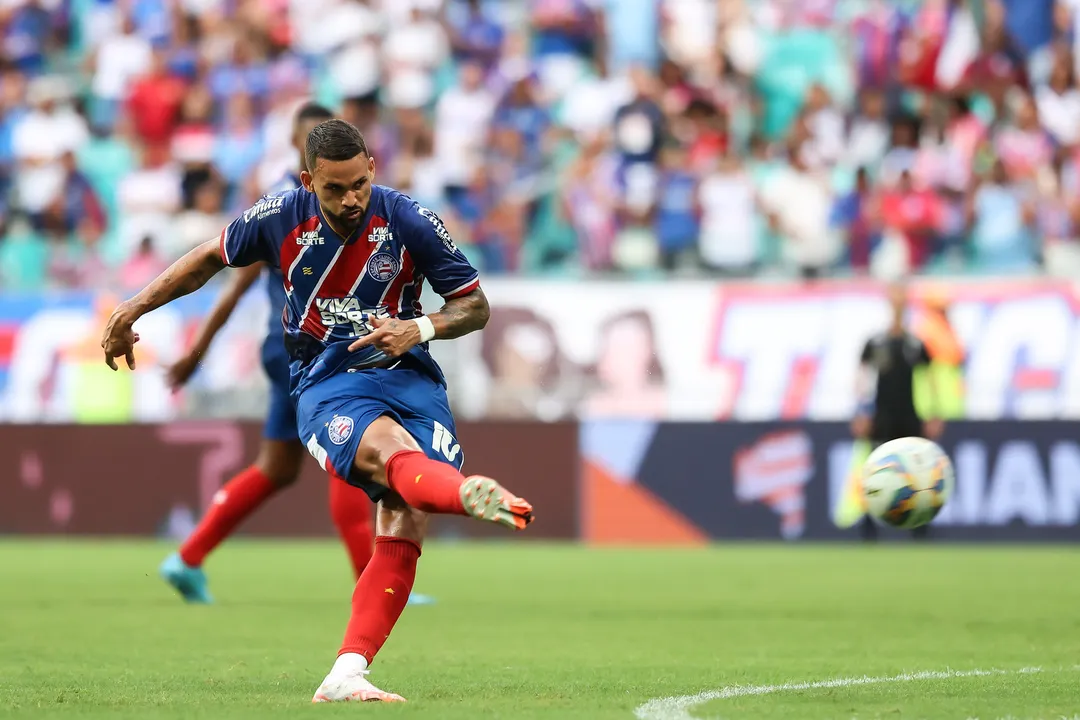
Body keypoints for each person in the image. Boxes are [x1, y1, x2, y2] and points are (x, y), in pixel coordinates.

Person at [101, 118, 534, 702]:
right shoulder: (279, 216)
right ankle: (466, 495)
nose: (351, 198)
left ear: (372, 170)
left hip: (410, 375)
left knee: (405, 513)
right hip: (328, 381)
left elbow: (474, 306)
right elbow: (206, 259)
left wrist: (422, 326)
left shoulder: (407, 218)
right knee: (393, 460)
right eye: (335, 188)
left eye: (358, 184)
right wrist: (130, 311)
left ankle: (347, 672)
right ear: (309, 181)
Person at [158, 103, 436, 606]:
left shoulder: (338, 198)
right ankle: (372, 578)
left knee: (278, 468)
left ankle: (188, 556)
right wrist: (198, 351)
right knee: (350, 443)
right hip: (302, 350)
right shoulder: (286, 209)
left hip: (291, 348)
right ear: (302, 155)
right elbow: (232, 279)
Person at [850, 281, 943, 541]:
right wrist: (860, 412)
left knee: (917, 472)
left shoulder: (915, 343)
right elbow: (861, 378)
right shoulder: (876, 342)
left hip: (909, 414)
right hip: (882, 414)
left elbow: (930, 377)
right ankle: (868, 528)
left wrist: (934, 413)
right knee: (873, 471)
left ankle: (920, 528)